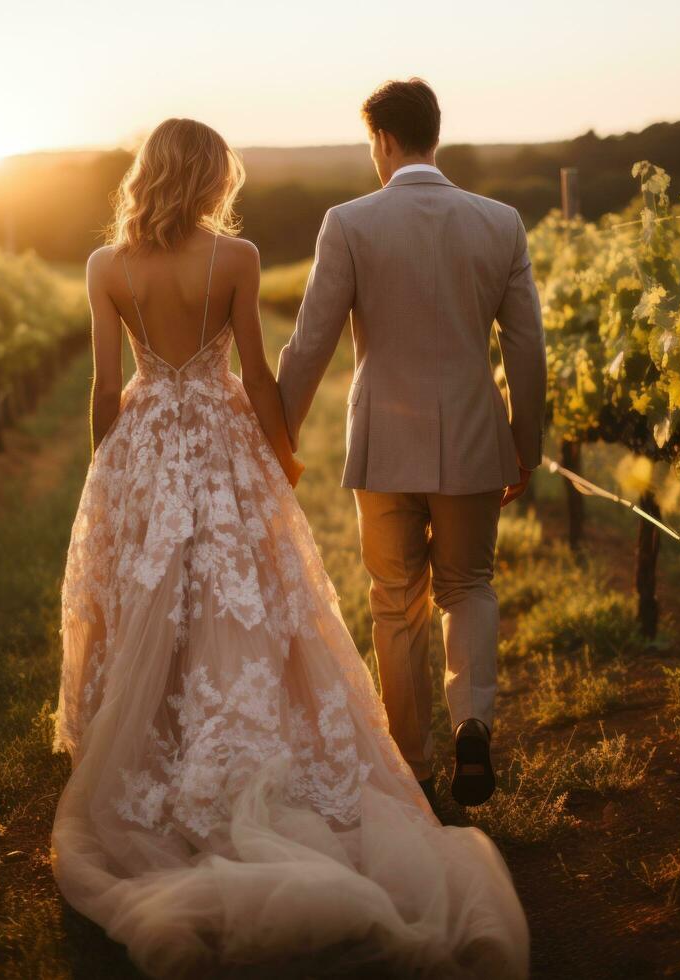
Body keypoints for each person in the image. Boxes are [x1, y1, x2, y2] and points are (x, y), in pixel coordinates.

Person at [51, 116, 529, 979]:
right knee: (246, 593)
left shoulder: (104, 267)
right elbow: (260, 374)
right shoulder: (234, 260)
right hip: (224, 443)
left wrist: (107, 477)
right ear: (209, 180)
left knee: (157, 594)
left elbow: (102, 385)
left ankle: (160, 737)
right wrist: (279, 456)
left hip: (148, 441)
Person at [277, 78, 548, 810]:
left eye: (372, 143)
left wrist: (277, 440)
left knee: (396, 604)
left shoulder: (348, 222)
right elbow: (527, 349)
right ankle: (472, 726)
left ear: (386, 141)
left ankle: (415, 768)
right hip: (473, 436)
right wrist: (528, 445)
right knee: (470, 586)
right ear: (434, 133)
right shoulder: (501, 223)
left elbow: (308, 348)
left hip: (383, 447)